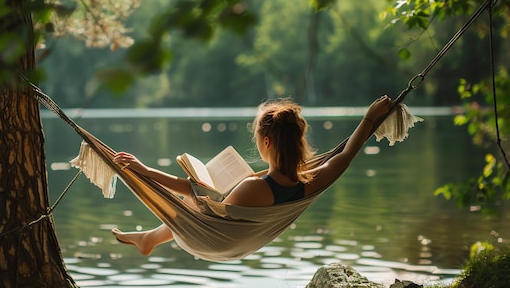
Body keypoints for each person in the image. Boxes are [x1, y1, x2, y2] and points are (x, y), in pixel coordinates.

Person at [111, 95, 393, 256]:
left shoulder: (253, 187)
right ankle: (149, 238)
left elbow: (202, 203)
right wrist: (370, 119)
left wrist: (147, 172)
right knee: (195, 202)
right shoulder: (308, 182)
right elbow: (344, 157)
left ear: (267, 142)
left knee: (190, 203)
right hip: (234, 238)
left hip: (216, 239)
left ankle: (149, 238)